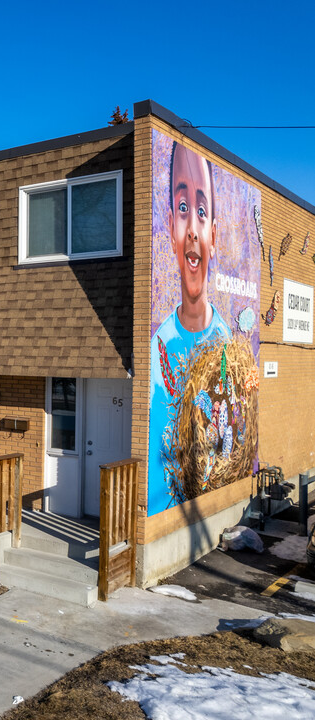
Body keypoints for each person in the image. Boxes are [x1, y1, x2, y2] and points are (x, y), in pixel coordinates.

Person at [147, 142, 231, 515]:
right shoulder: (158, 346)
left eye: (201, 211)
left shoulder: (225, 342)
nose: (193, 229)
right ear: (170, 226)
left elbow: (230, 429)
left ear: (214, 233)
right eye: (183, 209)